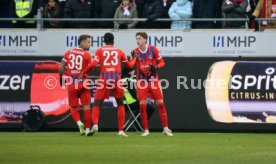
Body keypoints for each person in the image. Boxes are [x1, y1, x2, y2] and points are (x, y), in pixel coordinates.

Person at [81, 33, 135, 137]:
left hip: (104, 79)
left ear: (104, 41)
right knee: (120, 104)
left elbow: (92, 64)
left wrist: (84, 72)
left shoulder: (100, 51)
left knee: (97, 104)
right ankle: (121, 131)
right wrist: (134, 58)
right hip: (116, 79)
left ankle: (95, 125)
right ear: (113, 41)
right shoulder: (119, 51)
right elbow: (130, 65)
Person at [128, 32, 173, 137]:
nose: (137, 41)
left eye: (139, 38)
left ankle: (165, 128)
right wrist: (132, 58)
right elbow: (130, 65)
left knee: (160, 104)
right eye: (136, 39)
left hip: (153, 80)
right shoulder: (135, 51)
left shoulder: (153, 49)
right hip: (141, 81)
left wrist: (156, 67)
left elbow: (162, 62)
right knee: (142, 106)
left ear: (145, 39)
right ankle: (146, 130)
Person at [58, 34, 93, 136]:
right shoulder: (87, 55)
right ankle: (87, 130)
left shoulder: (68, 53)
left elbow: (60, 68)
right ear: (82, 42)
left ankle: (78, 122)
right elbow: (93, 67)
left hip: (73, 82)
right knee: (87, 107)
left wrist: (61, 79)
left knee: (73, 107)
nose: (89, 44)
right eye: (88, 42)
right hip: (84, 82)